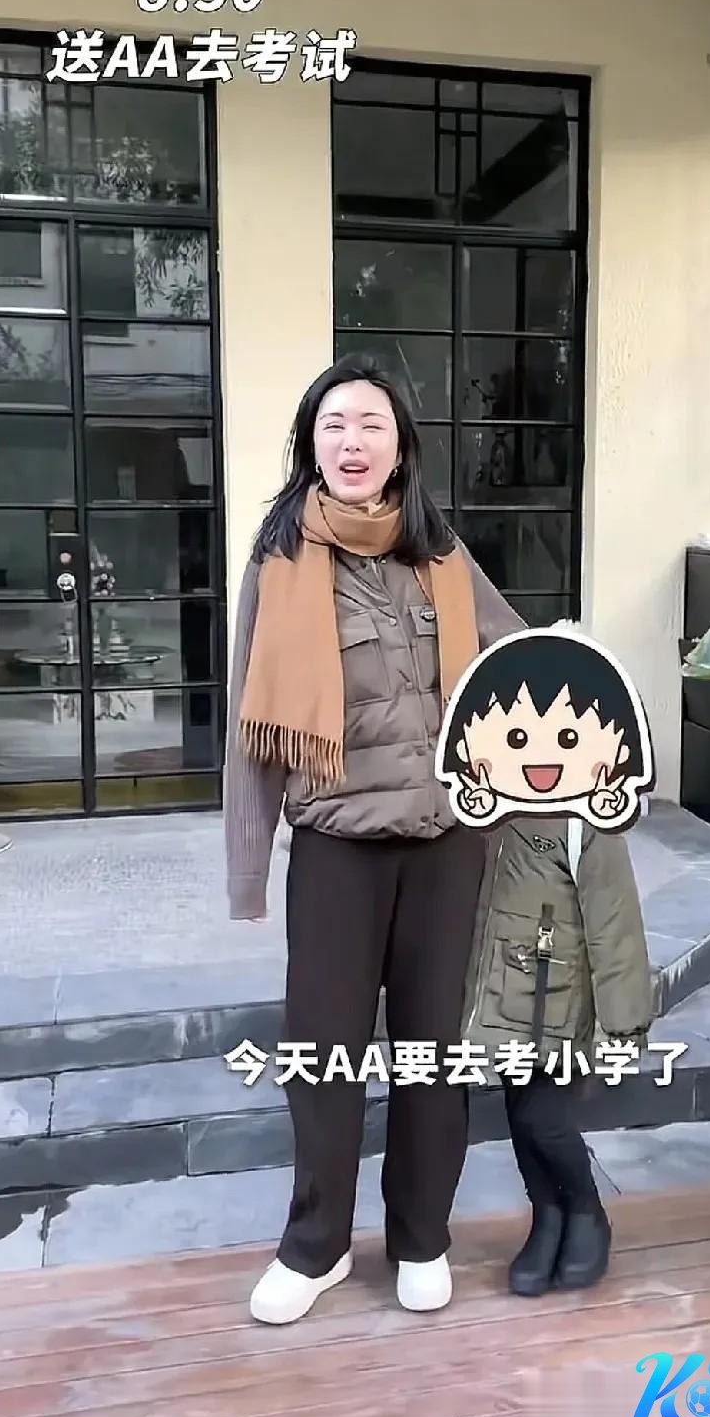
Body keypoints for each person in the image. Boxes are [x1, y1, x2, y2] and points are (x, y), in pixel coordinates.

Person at [224, 354, 524, 1324]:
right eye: (335, 425)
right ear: (310, 443)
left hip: (446, 843)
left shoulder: (443, 556)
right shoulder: (277, 564)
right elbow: (248, 722)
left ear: (401, 448)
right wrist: (246, 868)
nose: (352, 443)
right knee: (322, 1056)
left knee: (436, 1052)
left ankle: (421, 1237)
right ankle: (314, 1249)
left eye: (372, 426)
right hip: (337, 847)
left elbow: (517, 666)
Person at [462, 809, 655, 1296]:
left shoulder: (587, 822)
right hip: (503, 995)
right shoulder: (489, 806)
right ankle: (548, 1214)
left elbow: (616, 929)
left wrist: (623, 1025)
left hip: (559, 1000)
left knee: (543, 1119)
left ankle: (586, 1210)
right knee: (521, 1113)